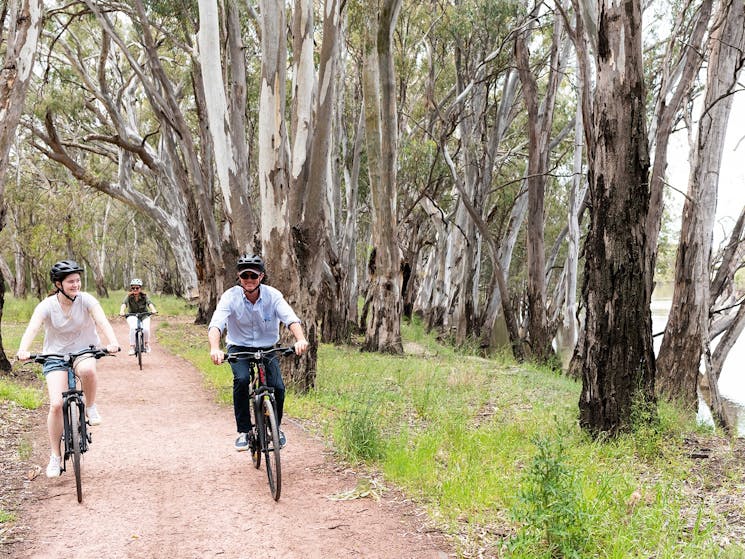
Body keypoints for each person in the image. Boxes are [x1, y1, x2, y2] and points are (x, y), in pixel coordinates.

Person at [16, 260, 121, 478]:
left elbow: (102, 321)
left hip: (84, 351)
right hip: (54, 356)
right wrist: (23, 350)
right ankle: (55, 456)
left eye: (78, 281)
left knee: (88, 371)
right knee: (56, 405)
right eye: (70, 282)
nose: (76, 285)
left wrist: (112, 342)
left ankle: (90, 406)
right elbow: (32, 327)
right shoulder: (46, 305)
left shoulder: (87, 300)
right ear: (58, 284)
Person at [208, 254, 309, 451]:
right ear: (239, 277)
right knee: (242, 379)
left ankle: (275, 428)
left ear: (261, 277)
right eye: (244, 276)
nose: (249, 280)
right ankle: (244, 431)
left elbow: (290, 319)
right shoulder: (230, 297)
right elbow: (217, 324)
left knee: (278, 387)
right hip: (239, 347)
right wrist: (215, 348)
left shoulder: (273, 295)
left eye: (253, 276)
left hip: (267, 347)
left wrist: (301, 339)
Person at [119, 278, 158, 354]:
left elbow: (149, 303)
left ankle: (146, 344)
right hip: (132, 315)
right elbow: (124, 304)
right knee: (133, 328)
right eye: (133, 288)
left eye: (137, 288)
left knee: (146, 329)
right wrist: (122, 311)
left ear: (140, 288)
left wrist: (153, 310)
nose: (135, 289)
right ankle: (132, 347)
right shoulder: (129, 296)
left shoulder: (144, 296)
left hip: (144, 315)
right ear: (131, 288)